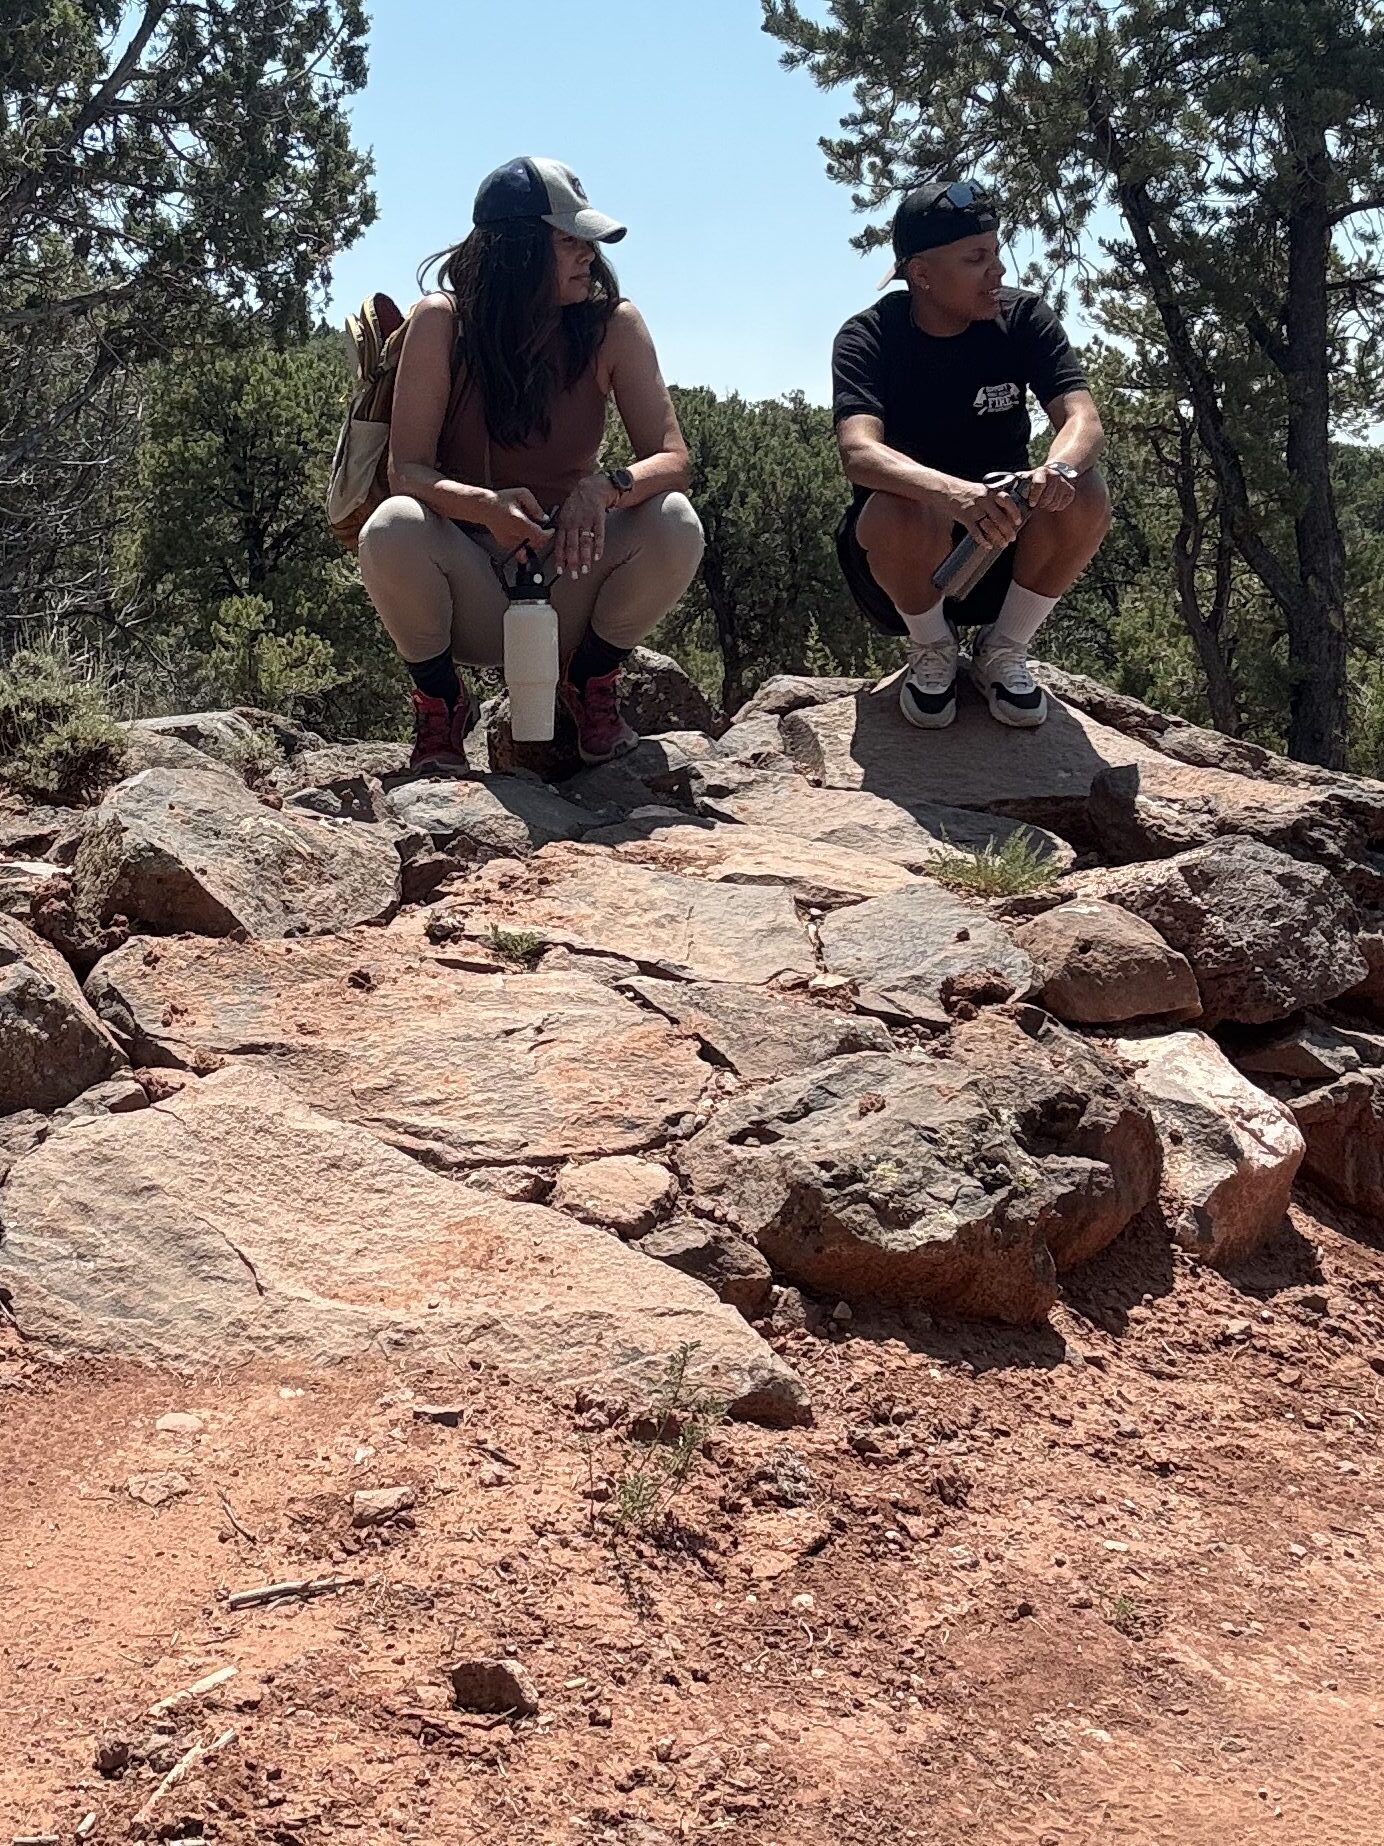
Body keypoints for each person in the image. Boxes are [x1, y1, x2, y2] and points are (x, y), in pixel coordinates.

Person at [359, 156, 705, 768]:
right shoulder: (442, 324)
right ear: (516, 251)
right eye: (570, 242)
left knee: (675, 522)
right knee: (391, 530)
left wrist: (605, 488)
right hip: (470, 586)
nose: (589, 258)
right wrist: (485, 509)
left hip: (565, 580)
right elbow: (405, 471)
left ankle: (589, 679)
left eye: (588, 244)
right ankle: (441, 701)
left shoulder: (612, 328)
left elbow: (674, 461)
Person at [831, 180, 1111, 730]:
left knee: (1085, 490)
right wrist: (954, 495)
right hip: (903, 561)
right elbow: (858, 451)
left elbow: (1085, 421)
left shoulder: (1025, 318)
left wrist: (1056, 470)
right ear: (922, 275)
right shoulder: (870, 336)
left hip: (1003, 543)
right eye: (976, 258)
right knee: (900, 505)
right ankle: (932, 648)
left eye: (997, 252)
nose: (998, 271)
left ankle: (1003, 649)